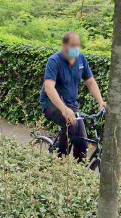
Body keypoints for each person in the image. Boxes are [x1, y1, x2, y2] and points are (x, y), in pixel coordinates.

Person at [39, 32, 106, 161]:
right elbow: (49, 87)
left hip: (71, 105)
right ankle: (60, 160)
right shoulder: (54, 61)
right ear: (64, 46)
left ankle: (77, 168)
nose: (76, 48)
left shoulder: (81, 59)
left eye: (77, 45)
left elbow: (90, 82)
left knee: (82, 143)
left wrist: (100, 101)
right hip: (51, 104)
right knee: (70, 124)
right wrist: (64, 109)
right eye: (72, 45)